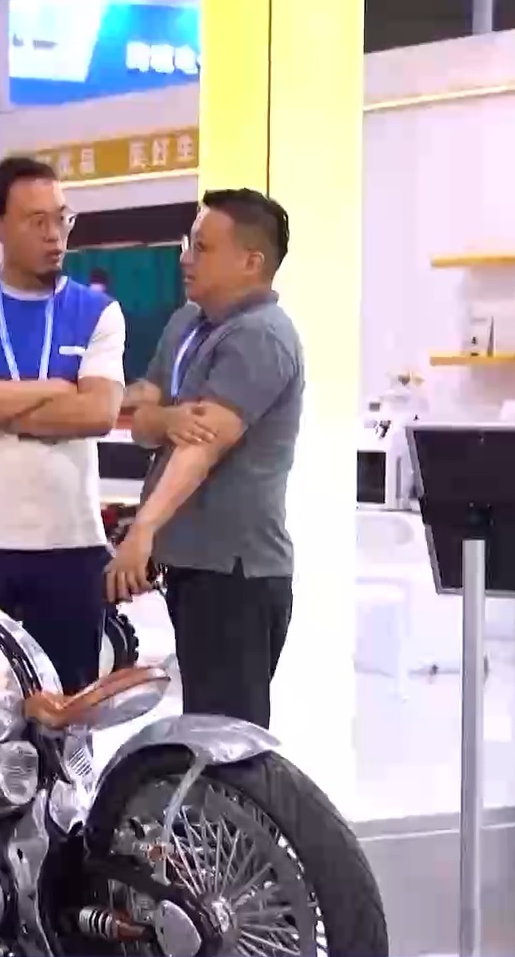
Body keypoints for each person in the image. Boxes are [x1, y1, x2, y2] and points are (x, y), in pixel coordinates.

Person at [0, 156, 126, 693]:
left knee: (67, 711)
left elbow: (98, 412)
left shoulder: (99, 313)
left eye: (62, 218)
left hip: (71, 547)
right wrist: (54, 389)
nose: (55, 234)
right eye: (38, 221)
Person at [105, 188, 304, 729]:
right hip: (192, 567)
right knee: (201, 722)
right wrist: (164, 418)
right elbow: (145, 418)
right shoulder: (189, 323)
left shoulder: (262, 337)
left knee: (226, 735)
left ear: (251, 261)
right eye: (188, 245)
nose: (186, 259)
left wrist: (143, 530)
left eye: (202, 247)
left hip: (235, 574)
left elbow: (201, 446)